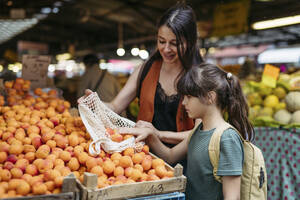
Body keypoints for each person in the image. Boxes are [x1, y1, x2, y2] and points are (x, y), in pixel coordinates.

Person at [120, 63, 255, 200]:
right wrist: (151, 134)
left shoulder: (227, 138)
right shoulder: (198, 131)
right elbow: (169, 156)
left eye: (188, 97)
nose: (183, 103)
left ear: (210, 97)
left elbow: (232, 197)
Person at [80, 3, 203, 145]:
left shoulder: (200, 78)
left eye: (174, 43)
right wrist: (95, 104)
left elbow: (202, 132)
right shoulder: (145, 70)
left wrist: (157, 135)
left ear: (190, 42)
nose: (166, 49)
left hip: (184, 161)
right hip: (143, 157)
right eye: (161, 41)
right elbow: (115, 107)